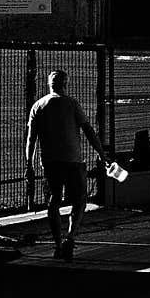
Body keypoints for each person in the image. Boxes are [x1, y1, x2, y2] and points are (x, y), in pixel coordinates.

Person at [25, 69, 108, 261]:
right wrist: (101, 154)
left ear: (49, 84)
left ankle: (58, 243)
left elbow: (31, 139)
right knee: (79, 201)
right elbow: (88, 131)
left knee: (54, 200)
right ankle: (70, 237)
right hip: (73, 160)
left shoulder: (38, 106)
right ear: (65, 84)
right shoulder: (72, 104)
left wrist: (29, 164)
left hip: (50, 162)